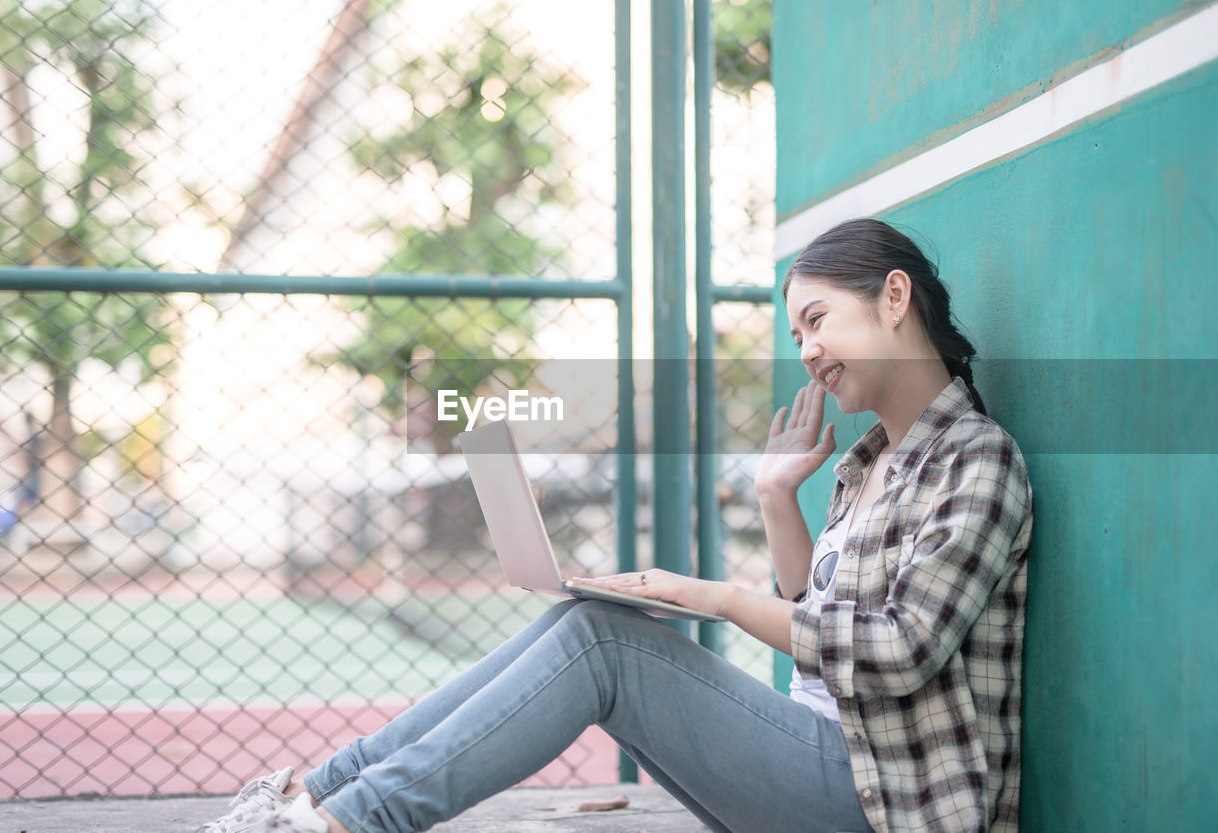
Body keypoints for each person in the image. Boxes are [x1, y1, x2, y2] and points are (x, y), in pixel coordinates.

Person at [197, 218, 1033, 833]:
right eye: (796, 333)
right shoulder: (866, 461)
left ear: (894, 297)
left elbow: (900, 649)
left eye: (817, 321)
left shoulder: (978, 459)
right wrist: (777, 497)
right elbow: (816, 611)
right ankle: (313, 796)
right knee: (587, 618)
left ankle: (344, 825)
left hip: (889, 795)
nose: (807, 351)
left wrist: (711, 596)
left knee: (605, 642)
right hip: (828, 757)